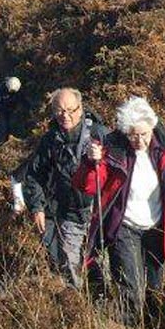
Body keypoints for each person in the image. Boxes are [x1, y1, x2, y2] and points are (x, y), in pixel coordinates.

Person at [73, 96, 165, 325]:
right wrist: (89, 161)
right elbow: (87, 184)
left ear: (151, 128)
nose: (139, 140)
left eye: (143, 134)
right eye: (133, 134)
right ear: (125, 131)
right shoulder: (113, 148)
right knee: (130, 288)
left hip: (157, 225)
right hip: (124, 227)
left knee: (154, 289)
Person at [22, 87, 107, 289]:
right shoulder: (51, 140)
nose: (65, 116)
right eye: (59, 110)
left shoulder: (100, 135)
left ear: (80, 109)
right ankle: (77, 309)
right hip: (68, 213)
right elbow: (34, 175)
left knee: (102, 266)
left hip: (100, 214)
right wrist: (37, 207)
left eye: (70, 109)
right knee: (70, 266)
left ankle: (103, 306)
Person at [0, 76, 24, 144]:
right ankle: (0, 143)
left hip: (13, 110)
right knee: (2, 126)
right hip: (1, 110)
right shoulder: (2, 87)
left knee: (12, 125)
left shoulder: (19, 88)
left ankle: (12, 141)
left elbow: (22, 100)